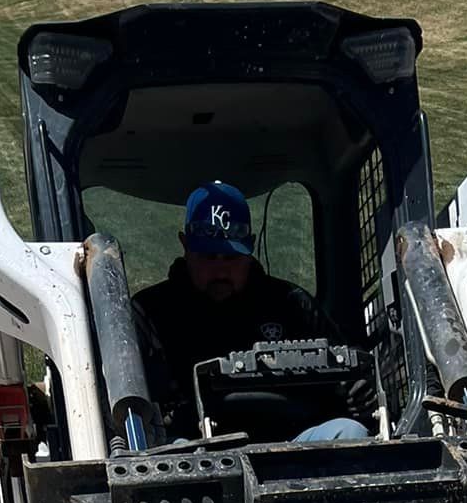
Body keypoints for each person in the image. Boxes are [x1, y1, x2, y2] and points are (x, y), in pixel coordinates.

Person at [133, 181, 369, 444]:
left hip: (292, 441)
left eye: (232, 258)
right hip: (196, 447)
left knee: (350, 433)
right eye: (208, 257)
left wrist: (354, 392)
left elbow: (347, 379)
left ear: (251, 246)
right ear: (185, 245)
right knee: (173, 451)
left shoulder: (291, 305)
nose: (220, 271)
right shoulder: (151, 312)